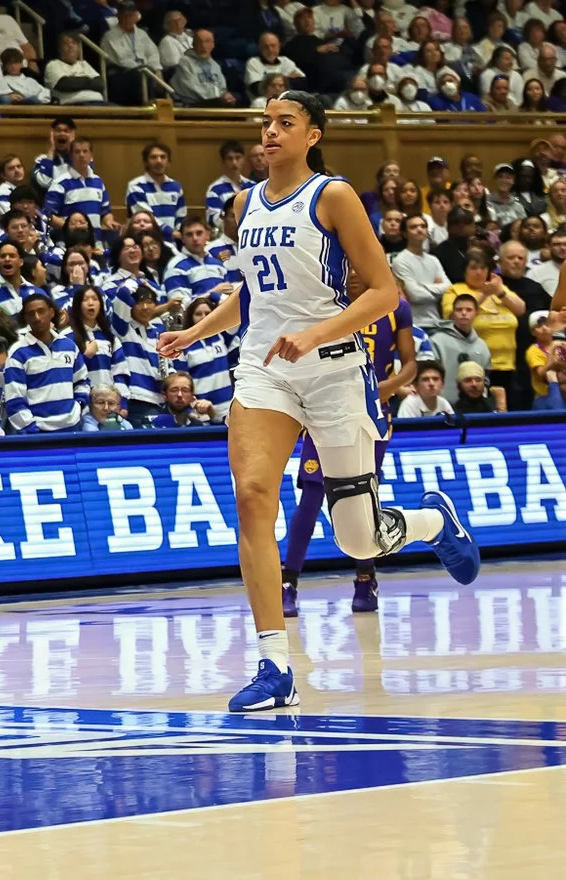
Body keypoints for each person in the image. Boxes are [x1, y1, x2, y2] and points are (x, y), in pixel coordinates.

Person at [158, 93, 480, 713]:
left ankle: (433, 521)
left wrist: (314, 333)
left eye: (286, 123)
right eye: (266, 123)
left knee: (357, 539)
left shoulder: (333, 196)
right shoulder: (243, 203)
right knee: (253, 496)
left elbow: (386, 291)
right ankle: (275, 664)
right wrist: (199, 330)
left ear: (312, 135)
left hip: (333, 369)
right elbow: (254, 292)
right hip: (264, 367)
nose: (271, 132)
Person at [279, 298, 418, 617]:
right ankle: (288, 583)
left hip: (373, 412)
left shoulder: (396, 307)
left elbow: (410, 364)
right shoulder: (323, 300)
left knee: (362, 498)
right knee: (312, 494)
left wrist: (388, 387)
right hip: (326, 408)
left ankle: (365, 579)